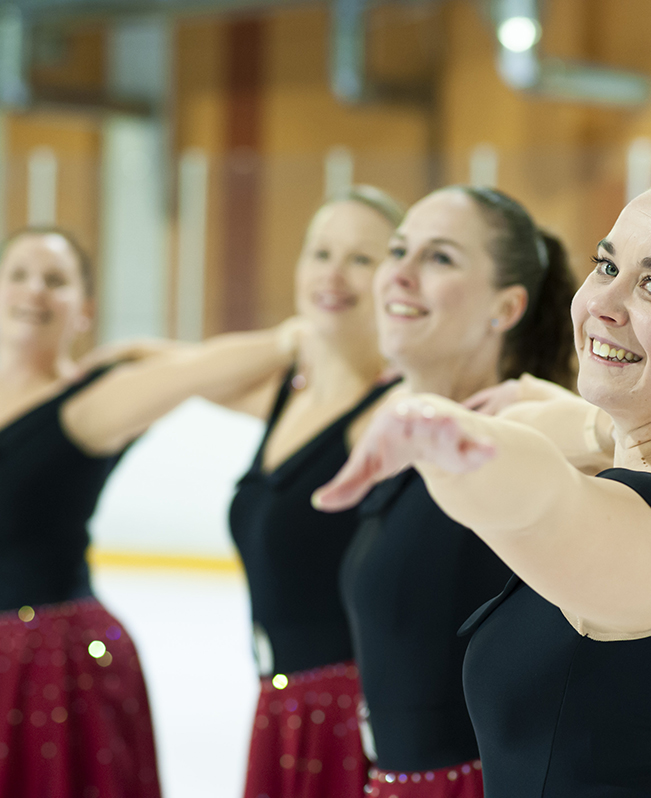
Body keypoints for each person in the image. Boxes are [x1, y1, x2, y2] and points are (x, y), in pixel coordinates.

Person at [317, 174, 651, 797]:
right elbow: (581, 432)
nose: (604, 302)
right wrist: (585, 423)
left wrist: (445, 441)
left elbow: (545, 501)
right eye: (607, 266)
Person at [0, 227, 303, 798]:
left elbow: (204, 373)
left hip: (63, 667)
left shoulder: (94, 403)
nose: (35, 290)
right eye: (19, 275)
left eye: (55, 281)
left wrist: (148, 351)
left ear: (84, 311)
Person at [333, 186, 577, 798]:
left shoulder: (515, 446)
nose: (400, 274)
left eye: (439, 258)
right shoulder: (402, 435)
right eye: (398, 251)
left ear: (506, 307)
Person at [227, 186, 405, 798]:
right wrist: (284, 340)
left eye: (361, 258)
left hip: (349, 711)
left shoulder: (396, 410)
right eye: (320, 253)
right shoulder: (286, 397)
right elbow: (170, 372)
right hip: (282, 701)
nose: (333, 274)